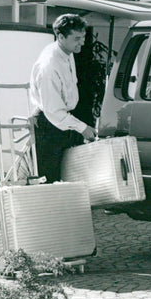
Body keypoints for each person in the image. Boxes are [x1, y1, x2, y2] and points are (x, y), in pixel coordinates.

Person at [29, 14, 97, 182]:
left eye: (83, 37)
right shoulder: (49, 66)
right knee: (50, 180)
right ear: (60, 37)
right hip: (49, 123)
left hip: (62, 119)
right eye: (77, 38)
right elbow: (54, 111)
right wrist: (82, 128)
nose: (82, 42)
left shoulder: (66, 52)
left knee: (67, 177)